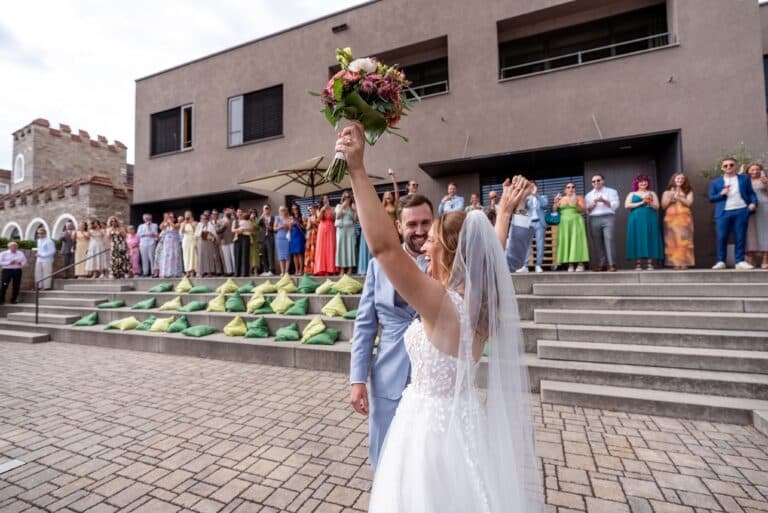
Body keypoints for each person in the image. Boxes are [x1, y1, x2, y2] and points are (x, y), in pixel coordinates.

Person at [339, 124, 542, 512]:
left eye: (431, 237)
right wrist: (504, 212)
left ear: (448, 252)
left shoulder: (441, 304)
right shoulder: (482, 301)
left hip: (427, 434)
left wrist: (358, 170)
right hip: (464, 422)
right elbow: (491, 253)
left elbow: (383, 248)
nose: (424, 242)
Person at [709, 157, 758, 270]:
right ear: (722, 168)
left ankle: (740, 261)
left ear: (735, 166)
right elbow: (711, 198)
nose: (729, 167)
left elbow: (751, 193)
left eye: (731, 165)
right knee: (721, 237)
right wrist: (721, 194)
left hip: (741, 210)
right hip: (723, 212)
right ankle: (721, 261)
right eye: (726, 165)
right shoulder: (715, 182)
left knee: (740, 236)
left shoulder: (744, 179)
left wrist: (753, 203)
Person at [625, 174, 664, 270]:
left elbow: (657, 207)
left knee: (650, 237)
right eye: (641, 181)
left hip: (650, 218)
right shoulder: (631, 194)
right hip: (635, 219)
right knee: (637, 238)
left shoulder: (652, 193)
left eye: (645, 181)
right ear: (637, 183)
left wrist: (650, 202)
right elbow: (627, 206)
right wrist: (642, 202)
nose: (643, 183)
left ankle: (649, 263)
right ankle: (637, 263)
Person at [585, 174, 620, 272]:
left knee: (609, 240)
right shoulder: (588, 195)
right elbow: (587, 210)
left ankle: (612, 264)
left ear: (603, 181)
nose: (596, 182)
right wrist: (592, 205)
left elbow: (615, 205)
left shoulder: (611, 191)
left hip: (608, 217)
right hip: (594, 218)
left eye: (598, 180)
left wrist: (604, 201)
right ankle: (601, 264)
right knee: (597, 243)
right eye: (594, 181)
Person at [661, 173, 695, 269]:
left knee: (685, 240)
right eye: (678, 178)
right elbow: (663, 206)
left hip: (685, 219)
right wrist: (671, 198)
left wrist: (679, 196)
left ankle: (685, 263)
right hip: (671, 219)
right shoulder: (666, 192)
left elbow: (689, 203)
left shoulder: (688, 191)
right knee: (672, 241)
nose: (680, 180)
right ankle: (674, 263)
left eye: (682, 178)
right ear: (673, 179)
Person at [553, 182, 589, 272]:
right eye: (568, 187)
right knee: (567, 242)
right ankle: (570, 264)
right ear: (565, 190)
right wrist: (555, 203)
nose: (571, 189)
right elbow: (554, 211)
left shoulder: (579, 197)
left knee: (577, 242)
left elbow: (583, 210)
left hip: (576, 221)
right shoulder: (561, 199)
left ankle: (580, 264)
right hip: (564, 223)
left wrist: (576, 203)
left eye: (573, 187)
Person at [517, 181, 548, 273]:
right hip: (529, 223)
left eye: (533, 186)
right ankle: (525, 266)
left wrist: (536, 195)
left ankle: (538, 265)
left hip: (539, 223)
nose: (532, 188)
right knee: (527, 246)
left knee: (540, 245)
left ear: (536, 187)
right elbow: (521, 209)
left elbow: (544, 204)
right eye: (530, 187)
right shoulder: (526, 198)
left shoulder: (542, 197)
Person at [746, 162, 768, 268]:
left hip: (764, 207)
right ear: (748, 171)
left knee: (764, 231)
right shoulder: (745, 181)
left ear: (761, 170)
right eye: (752, 169)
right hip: (749, 208)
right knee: (750, 232)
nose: (755, 171)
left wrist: (766, 185)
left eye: (757, 169)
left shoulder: (765, 180)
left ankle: (765, 259)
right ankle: (750, 259)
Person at [314, 195, 337, 275]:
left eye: (327, 198)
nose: (326, 199)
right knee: (322, 248)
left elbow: (334, 219)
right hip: (322, 229)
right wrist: (322, 210)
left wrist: (331, 212)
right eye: (324, 198)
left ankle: (331, 269)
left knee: (331, 247)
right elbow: (318, 219)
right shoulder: (319, 209)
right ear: (322, 201)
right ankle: (323, 269)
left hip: (331, 228)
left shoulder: (332, 208)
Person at [335, 191, 357, 274]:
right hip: (341, 229)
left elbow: (355, 220)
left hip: (350, 229)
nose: (347, 198)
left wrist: (355, 210)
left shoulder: (352, 208)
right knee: (341, 248)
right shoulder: (338, 206)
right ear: (343, 198)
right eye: (345, 197)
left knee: (350, 248)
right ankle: (342, 269)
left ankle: (350, 268)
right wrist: (343, 206)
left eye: (348, 197)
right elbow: (337, 216)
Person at [157, 213, 183, 278]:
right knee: (166, 256)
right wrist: (164, 220)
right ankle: (166, 272)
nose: (170, 218)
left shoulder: (177, 224)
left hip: (174, 243)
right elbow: (160, 227)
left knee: (174, 256)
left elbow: (175, 227)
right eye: (169, 217)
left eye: (171, 217)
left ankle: (175, 272)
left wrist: (170, 222)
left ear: (174, 218)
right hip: (167, 243)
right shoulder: (167, 224)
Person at [195, 211, 218, 277]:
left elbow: (214, 234)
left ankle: (209, 272)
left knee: (209, 257)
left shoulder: (210, 225)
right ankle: (202, 272)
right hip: (201, 242)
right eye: (202, 219)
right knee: (201, 257)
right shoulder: (199, 225)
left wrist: (210, 233)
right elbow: (196, 234)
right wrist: (201, 232)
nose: (203, 220)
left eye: (205, 219)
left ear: (207, 219)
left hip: (209, 242)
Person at [232, 208, 252, 277]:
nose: (239, 213)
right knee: (237, 255)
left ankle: (245, 273)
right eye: (238, 212)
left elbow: (251, 229)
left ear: (242, 213)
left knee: (245, 255)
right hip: (237, 238)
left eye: (241, 212)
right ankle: (237, 273)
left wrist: (244, 229)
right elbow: (232, 230)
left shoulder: (247, 221)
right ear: (236, 214)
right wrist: (238, 230)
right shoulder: (235, 221)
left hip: (245, 238)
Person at [289, 204, 306, 275]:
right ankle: (296, 270)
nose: (294, 210)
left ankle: (301, 270)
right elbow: (289, 229)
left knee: (300, 253)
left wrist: (298, 223)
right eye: (293, 209)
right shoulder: (290, 217)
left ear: (298, 209)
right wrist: (291, 224)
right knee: (294, 254)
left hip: (299, 235)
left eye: (296, 208)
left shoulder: (302, 216)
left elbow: (304, 227)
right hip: (293, 235)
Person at [258, 205, 276, 276]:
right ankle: (266, 270)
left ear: (270, 209)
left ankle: (272, 270)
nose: (266, 210)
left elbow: (274, 229)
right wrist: (262, 215)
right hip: (262, 238)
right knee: (263, 254)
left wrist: (270, 227)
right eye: (265, 208)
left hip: (270, 237)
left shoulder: (273, 218)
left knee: (270, 253)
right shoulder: (262, 218)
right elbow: (257, 223)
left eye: (267, 208)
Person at [274, 205, 292, 275]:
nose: (282, 211)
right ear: (279, 211)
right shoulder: (277, 218)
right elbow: (274, 228)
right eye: (281, 210)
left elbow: (290, 229)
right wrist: (280, 227)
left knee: (287, 254)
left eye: (283, 210)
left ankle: (286, 272)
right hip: (279, 237)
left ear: (286, 210)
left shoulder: (289, 218)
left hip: (287, 237)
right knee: (281, 255)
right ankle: (282, 271)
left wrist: (288, 226)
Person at [218, 208, 235, 275]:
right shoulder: (220, 220)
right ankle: (229, 271)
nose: (229, 212)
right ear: (224, 212)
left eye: (229, 211)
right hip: (224, 241)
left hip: (232, 240)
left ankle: (235, 270)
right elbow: (218, 231)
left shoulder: (233, 219)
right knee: (227, 257)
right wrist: (224, 226)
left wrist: (233, 212)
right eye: (227, 211)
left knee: (233, 256)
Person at [180, 210, 197, 277]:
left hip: (192, 239)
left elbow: (196, 230)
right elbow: (181, 231)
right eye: (186, 215)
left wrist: (191, 222)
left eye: (188, 215)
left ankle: (192, 271)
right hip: (186, 240)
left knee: (193, 255)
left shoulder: (194, 222)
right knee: (186, 256)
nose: (187, 216)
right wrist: (184, 223)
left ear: (191, 215)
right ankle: (187, 271)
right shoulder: (183, 223)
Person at [304, 204, 319, 274]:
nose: (310, 210)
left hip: (317, 235)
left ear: (315, 209)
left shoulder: (318, 216)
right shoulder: (309, 218)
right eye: (309, 209)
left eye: (311, 208)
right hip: (310, 236)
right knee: (309, 253)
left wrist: (314, 223)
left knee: (316, 252)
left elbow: (320, 226)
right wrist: (307, 223)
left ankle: (316, 269)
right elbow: (307, 228)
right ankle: (309, 270)